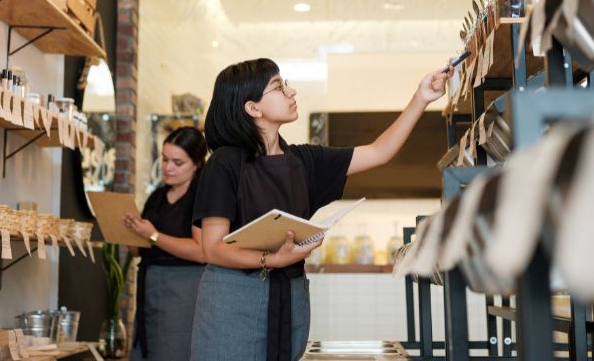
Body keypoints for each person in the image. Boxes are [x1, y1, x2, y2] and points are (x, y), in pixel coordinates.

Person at [190, 58, 452, 360]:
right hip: (232, 301)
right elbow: (211, 248)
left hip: (290, 296)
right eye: (278, 86)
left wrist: (421, 98)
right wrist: (273, 259)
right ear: (253, 108)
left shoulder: (305, 161)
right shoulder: (225, 162)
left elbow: (380, 151)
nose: (291, 92)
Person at [122, 126, 207, 361]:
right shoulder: (157, 197)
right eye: (165, 159)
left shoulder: (202, 195)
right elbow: (138, 250)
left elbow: (202, 251)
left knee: (173, 351)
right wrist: (128, 231)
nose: (168, 168)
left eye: (177, 163)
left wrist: (153, 235)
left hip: (183, 290)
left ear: (197, 162)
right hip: (150, 287)